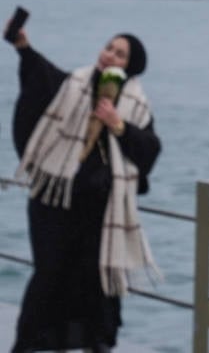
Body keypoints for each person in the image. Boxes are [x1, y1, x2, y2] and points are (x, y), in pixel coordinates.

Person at [5, 21, 161, 353]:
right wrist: (22, 47)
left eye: (120, 54)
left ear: (130, 67)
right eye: (109, 48)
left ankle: (97, 343)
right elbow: (39, 77)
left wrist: (118, 125)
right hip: (53, 201)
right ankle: (27, 344)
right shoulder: (73, 84)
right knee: (48, 275)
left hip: (99, 210)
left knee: (95, 280)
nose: (110, 56)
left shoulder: (135, 105)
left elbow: (149, 150)